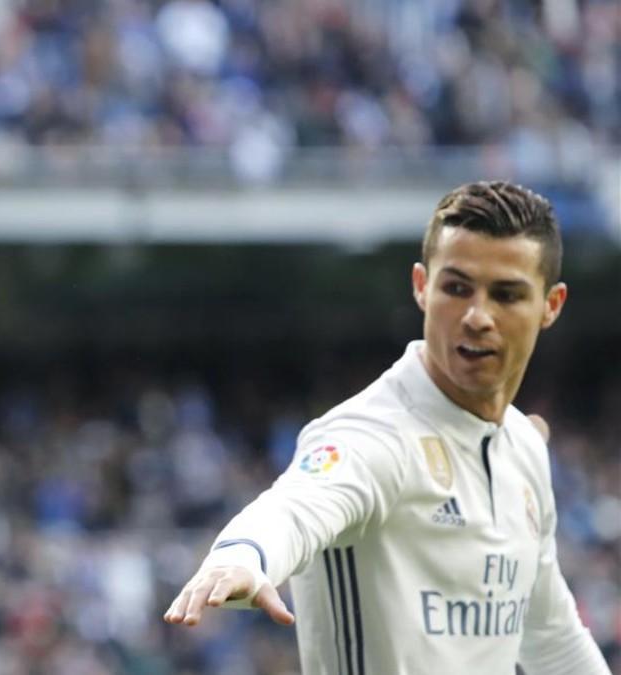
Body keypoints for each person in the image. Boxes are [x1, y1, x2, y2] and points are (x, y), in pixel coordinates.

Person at [164, 181, 608, 674]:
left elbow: (552, 640)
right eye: (456, 288)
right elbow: (295, 507)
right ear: (422, 286)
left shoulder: (524, 446)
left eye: (506, 295)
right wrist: (243, 553)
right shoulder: (373, 435)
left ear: (551, 305)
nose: (478, 316)